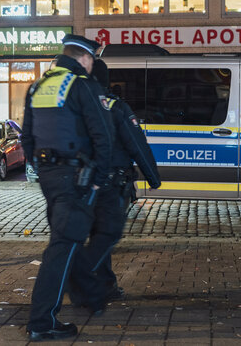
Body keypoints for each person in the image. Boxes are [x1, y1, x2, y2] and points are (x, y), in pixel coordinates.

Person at [22, 34, 114, 341]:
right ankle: (41, 321)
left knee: (68, 240)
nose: (91, 67)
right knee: (62, 248)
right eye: (92, 61)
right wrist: (98, 179)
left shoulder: (37, 86)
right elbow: (103, 136)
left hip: (49, 177)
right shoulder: (83, 86)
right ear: (85, 59)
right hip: (77, 178)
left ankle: (92, 296)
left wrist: (43, 168)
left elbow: (27, 138)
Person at [68, 59, 161, 305]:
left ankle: (104, 284)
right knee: (106, 233)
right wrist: (153, 177)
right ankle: (83, 280)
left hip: (82, 183)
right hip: (111, 183)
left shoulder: (76, 106)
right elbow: (136, 144)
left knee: (97, 234)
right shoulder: (115, 107)